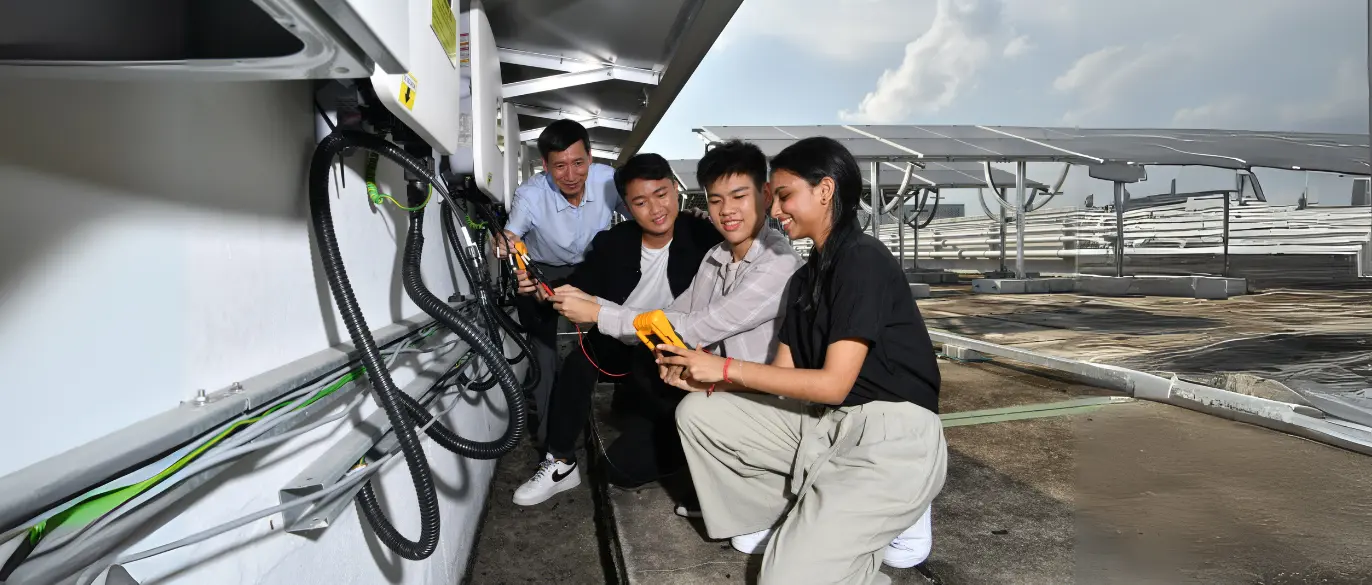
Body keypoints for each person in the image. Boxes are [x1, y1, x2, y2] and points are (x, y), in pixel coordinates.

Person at [655, 136, 947, 585]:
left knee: (782, 579)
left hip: (892, 438)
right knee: (699, 412)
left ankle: (891, 511)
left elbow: (834, 384)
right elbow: (782, 380)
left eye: (785, 196)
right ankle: (797, 514)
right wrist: (706, 380)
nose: (775, 211)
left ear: (825, 190)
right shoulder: (804, 279)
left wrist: (725, 367)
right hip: (829, 428)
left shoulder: (863, 259)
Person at [537, 140, 803, 503]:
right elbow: (677, 314)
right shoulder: (717, 254)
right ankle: (567, 457)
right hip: (702, 381)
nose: (727, 211)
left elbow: (693, 327)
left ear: (766, 194)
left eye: (739, 196)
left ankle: (749, 478)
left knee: (664, 411)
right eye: (715, 200)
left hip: (754, 399)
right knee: (619, 467)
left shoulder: (779, 266)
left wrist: (599, 313)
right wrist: (591, 301)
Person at [511, 152, 722, 505]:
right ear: (626, 206)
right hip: (620, 339)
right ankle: (560, 460)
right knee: (580, 362)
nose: (655, 209)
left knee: (624, 468)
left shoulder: (706, 237)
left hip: (678, 350)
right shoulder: (613, 242)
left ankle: (694, 457)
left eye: (662, 194)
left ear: (676, 190)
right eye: (640, 201)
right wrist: (541, 289)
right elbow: (577, 283)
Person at [494, 119, 627, 444]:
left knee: (623, 328)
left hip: (593, 267)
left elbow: (637, 213)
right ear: (545, 166)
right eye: (560, 166)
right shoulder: (530, 194)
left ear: (591, 158)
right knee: (544, 352)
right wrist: (510, 253)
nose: (571, 175)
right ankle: (551, 443)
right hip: (544, 271)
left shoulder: (609, 180)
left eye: (579, 163)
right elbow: (512, 237)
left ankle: (623, 411)